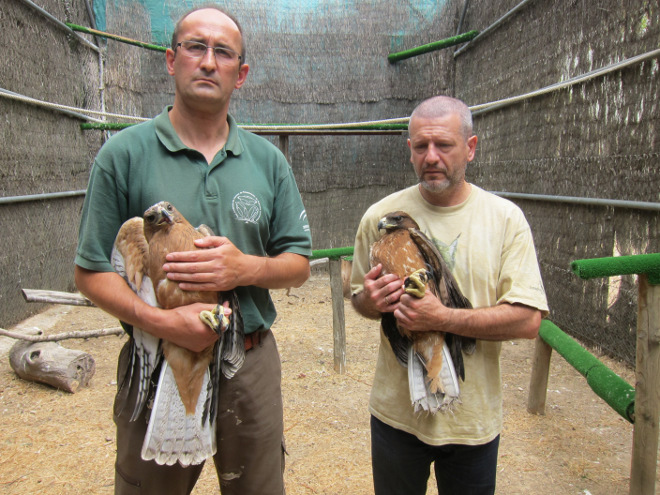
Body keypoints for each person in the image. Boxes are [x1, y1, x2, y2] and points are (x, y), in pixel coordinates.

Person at [74, 6, 311, 494]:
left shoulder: (268, 162)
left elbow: (298, 264)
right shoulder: (124, 154)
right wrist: (162, 323)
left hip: (249, 361)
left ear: (240, 74)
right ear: (170, 59)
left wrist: (242, 267)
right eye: (195, 47)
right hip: (158, 357)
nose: (208, 62)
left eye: (223, 52)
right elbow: (90, 271)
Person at [350, 95, 549, 494]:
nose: (432, 156)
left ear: (470, 148)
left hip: (471, 421)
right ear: (410, 151)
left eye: (444, 145)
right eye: (421, 146)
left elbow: (528, 320)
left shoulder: (505, 219)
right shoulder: (378, 217)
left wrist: (441, 318)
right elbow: (358, 297)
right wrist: (371, 302)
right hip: (396, 416)